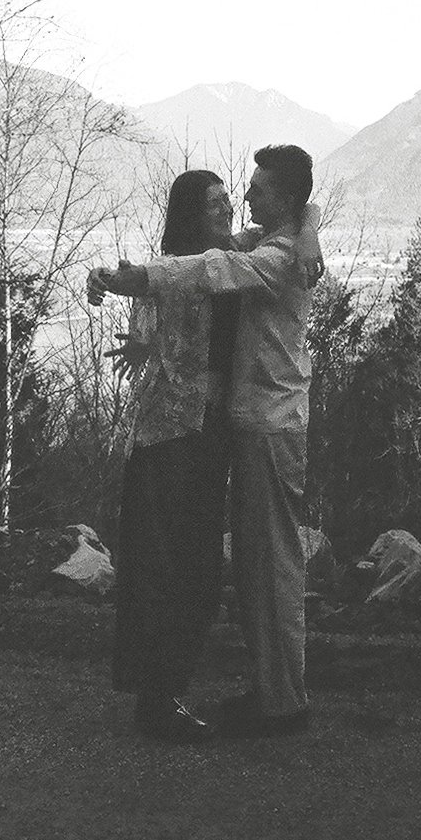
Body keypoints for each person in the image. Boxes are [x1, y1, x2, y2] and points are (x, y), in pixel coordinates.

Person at [90, 145, 320, 740]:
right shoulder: (249, 248)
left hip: (248, 429)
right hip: (187, 436)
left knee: (243, 565)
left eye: (251, 193)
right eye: (219, 202)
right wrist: (142, 316)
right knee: (196, 564)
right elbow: (185, 280)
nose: (241, 204)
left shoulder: (266, 256)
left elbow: (206, 271)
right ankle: (207, 697)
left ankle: (276, 699)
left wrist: (135, 280)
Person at [106, 169, 239, 744]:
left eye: (227, 198)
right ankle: (157, 697)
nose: (227, 208)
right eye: (214, 204)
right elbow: (149, 318)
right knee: (164, 564)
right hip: (167, 435)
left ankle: (166, 689)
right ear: (190, 213)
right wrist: (142, 342)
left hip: (207, 432)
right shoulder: (173, 269)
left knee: (197, 566)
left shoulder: (231, 260)